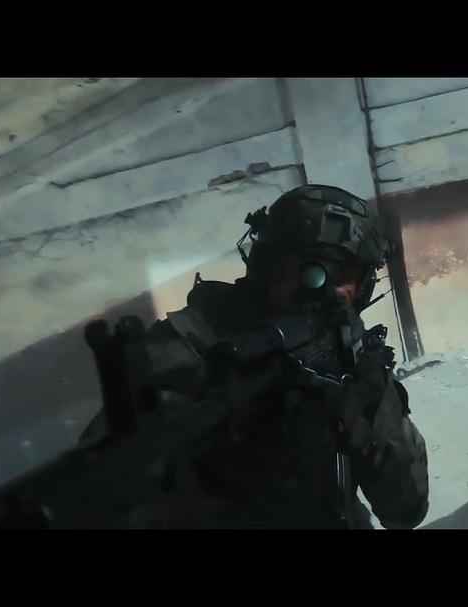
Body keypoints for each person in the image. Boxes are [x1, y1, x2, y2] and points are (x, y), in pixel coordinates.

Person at [81, 184, 429, 529]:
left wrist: (368, 428)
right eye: (303, 264)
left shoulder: (355, 358)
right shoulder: (198, 338)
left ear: (363, 287)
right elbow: (104, 483)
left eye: (343, 271)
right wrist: (216, 466)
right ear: (267, 265)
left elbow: (406, 510)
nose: (318, 284)